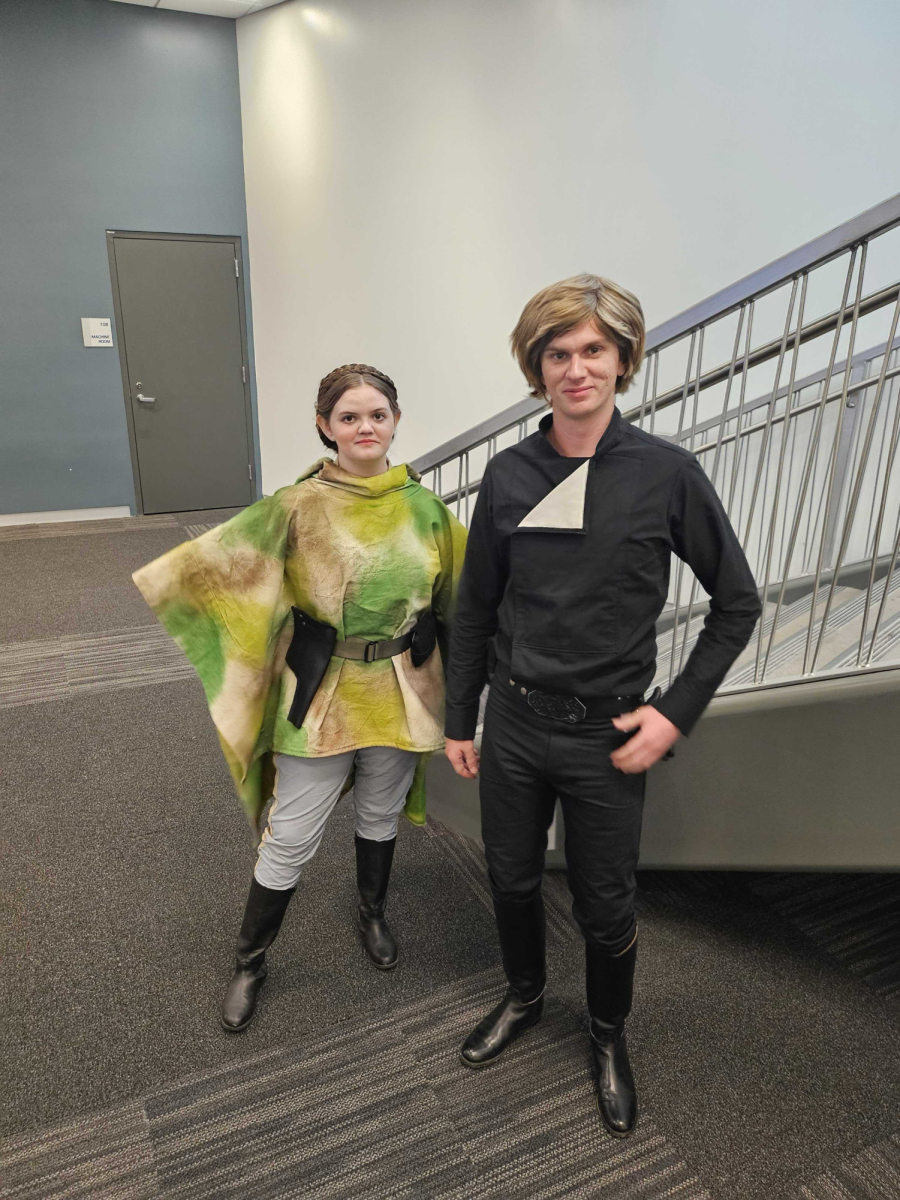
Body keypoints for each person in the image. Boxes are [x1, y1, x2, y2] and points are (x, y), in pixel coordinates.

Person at [443, 276, 761, 1137]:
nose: (576, 368)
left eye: (593, 351)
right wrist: (456, 717)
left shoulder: (667, 475)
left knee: (605, 903)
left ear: (622, 362)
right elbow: (473, 608)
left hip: (609, 736)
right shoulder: (509, 475)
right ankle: (523, 996)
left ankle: (608, 1033)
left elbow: (738, 605)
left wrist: (674, 713)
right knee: (508, 878)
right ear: (536, 367)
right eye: (558, 353)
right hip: (510, 724)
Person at [134, 364, 467, 1032]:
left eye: (377, 414)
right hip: (324, 695)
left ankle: (372, 911)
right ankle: (250, 961)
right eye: (349, 417)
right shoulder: (295, 505)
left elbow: (466, 594)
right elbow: (219, 571)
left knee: (380, 811)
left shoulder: (425, 508)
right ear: (325, 426)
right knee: (290, 833)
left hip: (404, 689)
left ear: (396, 421)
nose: (365, 427)